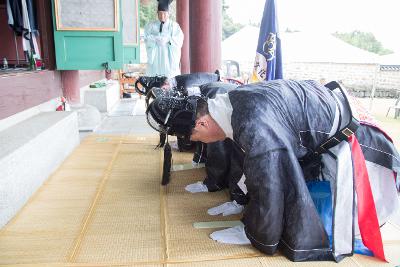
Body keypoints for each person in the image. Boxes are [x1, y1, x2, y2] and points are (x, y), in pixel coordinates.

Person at [146, 79, 400, 262]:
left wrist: (254, 233)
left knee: (325, 224)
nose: (201, 142)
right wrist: (240, 200)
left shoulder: (252, 122)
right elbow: (250, 163)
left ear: (201, 121)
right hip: (336, 127)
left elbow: (271, 184)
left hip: (363, 155)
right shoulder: (233, 102)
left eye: (196, 136)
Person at [144, 0, 183, 78]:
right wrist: (154, 39)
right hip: (155, 59)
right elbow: (146, 38)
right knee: (154, 79)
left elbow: (179, 40)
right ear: (157, 13)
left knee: (169, 81)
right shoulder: (151, 25)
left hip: (168, 60)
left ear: (168, 14)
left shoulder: (174, 26)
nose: (162, 16)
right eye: (160, 13)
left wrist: (168, 40)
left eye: (164, 14)